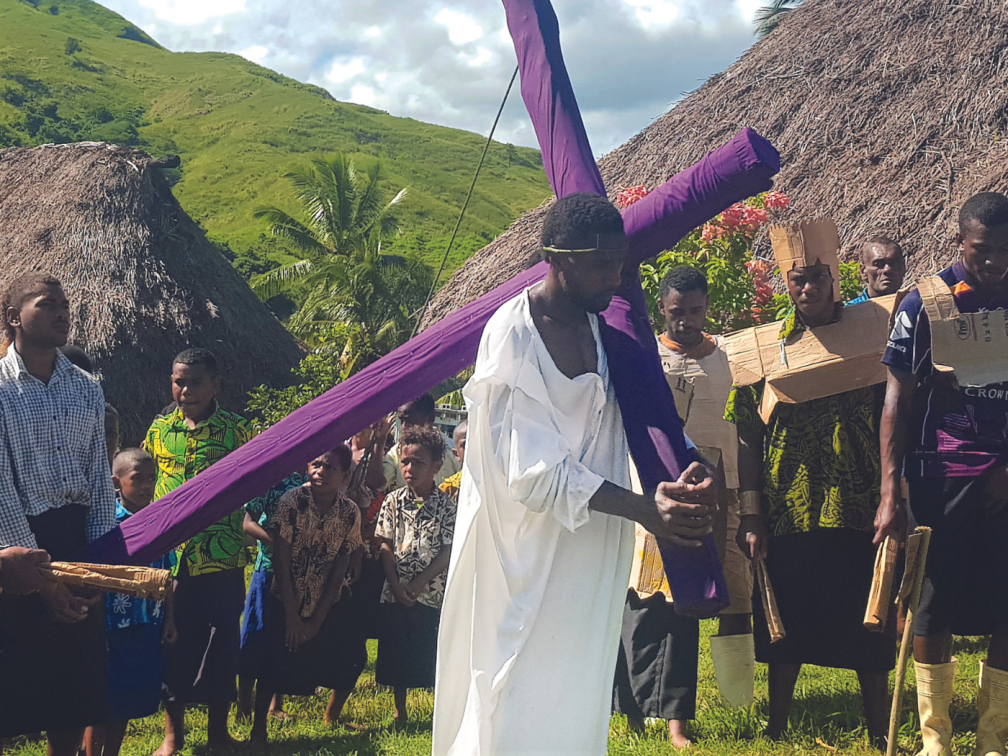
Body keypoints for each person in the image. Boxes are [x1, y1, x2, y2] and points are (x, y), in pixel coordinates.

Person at [432, 193, 716, 756]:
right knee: (511, 689)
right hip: (519, 556)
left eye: (620, 261)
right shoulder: (513, 336)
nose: (616, 275)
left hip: (587, 549)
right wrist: (643, 510)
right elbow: (532, 476)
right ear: (555, 258)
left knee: (576, 689)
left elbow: (638, 419)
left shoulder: (605, 334)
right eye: (601, 263)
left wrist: (689, 465)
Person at [727, 219, 896, 747]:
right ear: (787, 283)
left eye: (817, 278)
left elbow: (897, 411)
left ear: (835, 278)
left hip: (859, 500)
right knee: (789, 622)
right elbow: (748, 434)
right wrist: (751, 512)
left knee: (867, 617)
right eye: (797, 279)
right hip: (789, 506)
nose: (807, 288)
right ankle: (778, 726)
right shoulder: (764, 348)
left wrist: (896, 493)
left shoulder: (873, 330)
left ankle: (876, 730)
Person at [876, 192, 1008, 756]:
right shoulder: (923, 306)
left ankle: (994, 735)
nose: (995, 262)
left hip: (1004, 479)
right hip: (940, 475)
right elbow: (896, 403)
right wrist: (889, 491)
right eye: (983, 250)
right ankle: (937, 739)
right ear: (960, 242)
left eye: (1006, 250)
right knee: (932, 604)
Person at [614, 266, 757, 749]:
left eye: (696, 311)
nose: (687, 322)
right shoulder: (645, 355)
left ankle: (676, 720)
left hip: (708, 489)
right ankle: (631, 711)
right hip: (651, 485)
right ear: (662, 310)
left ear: (706, 308)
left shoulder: (726, 358)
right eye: (677, 313)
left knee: (686, 601)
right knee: (639, 601)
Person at [0, 272, 117, 752]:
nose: (62, 311)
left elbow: (97, 477)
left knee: (76, 680)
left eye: (65, 304)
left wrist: (95, 564)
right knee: (13, 676)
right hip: (13, 544)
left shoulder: (87, 389)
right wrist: (37, 574)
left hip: (76, 538)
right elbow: (0, 483)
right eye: (47, 304)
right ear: (14, 318)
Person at [144, 347, 253, 755]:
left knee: (223, 644)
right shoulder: (159, 430)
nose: (184, 389)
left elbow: (254, 481)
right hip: (172, 561)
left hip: (221, 558)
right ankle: (173, 736)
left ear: (215, 385)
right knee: (174, 645)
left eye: (193, 382)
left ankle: (218, 735)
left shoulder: (237, 431)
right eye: (178, 381)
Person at [251, 447, 363, 744]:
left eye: (329, 467)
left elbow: (340, 569)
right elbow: (281, 559)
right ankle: (258, 730)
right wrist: (292, 617)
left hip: (327, 596)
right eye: (315, 464)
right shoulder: (292, 502)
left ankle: (332, 717)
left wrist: (314, 623)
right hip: (286, 591)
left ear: (344, 476)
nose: (320, 472)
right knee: (272, 660)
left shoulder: (350, 511)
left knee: (354, 656)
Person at [88, 449, 177, 756]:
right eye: (137, 479)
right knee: (103, 702)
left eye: (151, 479)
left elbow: (168, 577)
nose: (145, 487)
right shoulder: (107, 523)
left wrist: (169, 619)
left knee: (127, 700)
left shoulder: (160, 522)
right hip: (112, 626)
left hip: (148, 624)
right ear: (116, 482)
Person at [375, 425, 458, 726]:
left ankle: (440, 711)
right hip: (395, 589)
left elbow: (448, 550)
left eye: (418, 463)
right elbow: (384, 543)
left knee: (429, 649)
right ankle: (400, 710)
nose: (410, 469)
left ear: (437, 466)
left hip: (431, 592)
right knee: (397, 649)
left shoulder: (447, 507)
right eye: (406, 462)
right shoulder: (393, 501)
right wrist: (396, 584)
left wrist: (420, 582)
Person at [236, 472, 307, 722]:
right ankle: (244, 706)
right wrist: (277, 545)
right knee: (254, 637)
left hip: (299, 572)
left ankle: (275, 705)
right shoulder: (270, 478)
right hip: (267, 570)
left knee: (281, 638)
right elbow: (248, 522)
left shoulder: (310, 479)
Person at [366, 394, 461, 493]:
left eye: (410, 420)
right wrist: (380, 440)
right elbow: (375, 484)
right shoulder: (398, 450)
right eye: (401, 420)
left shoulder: (453, 452)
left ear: (430, 419)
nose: (403, 426)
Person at [848, 235, 907, 304]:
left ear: (903, 268)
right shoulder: (850, 311)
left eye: (893, 263)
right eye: (878, 264)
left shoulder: (917, 308)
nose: (887, 269)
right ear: (863, 272)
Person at [438, 420, 467, 500]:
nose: (473, 448)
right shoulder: (448, 488)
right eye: (466, 444)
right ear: (456, 454)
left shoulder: (497, 481)